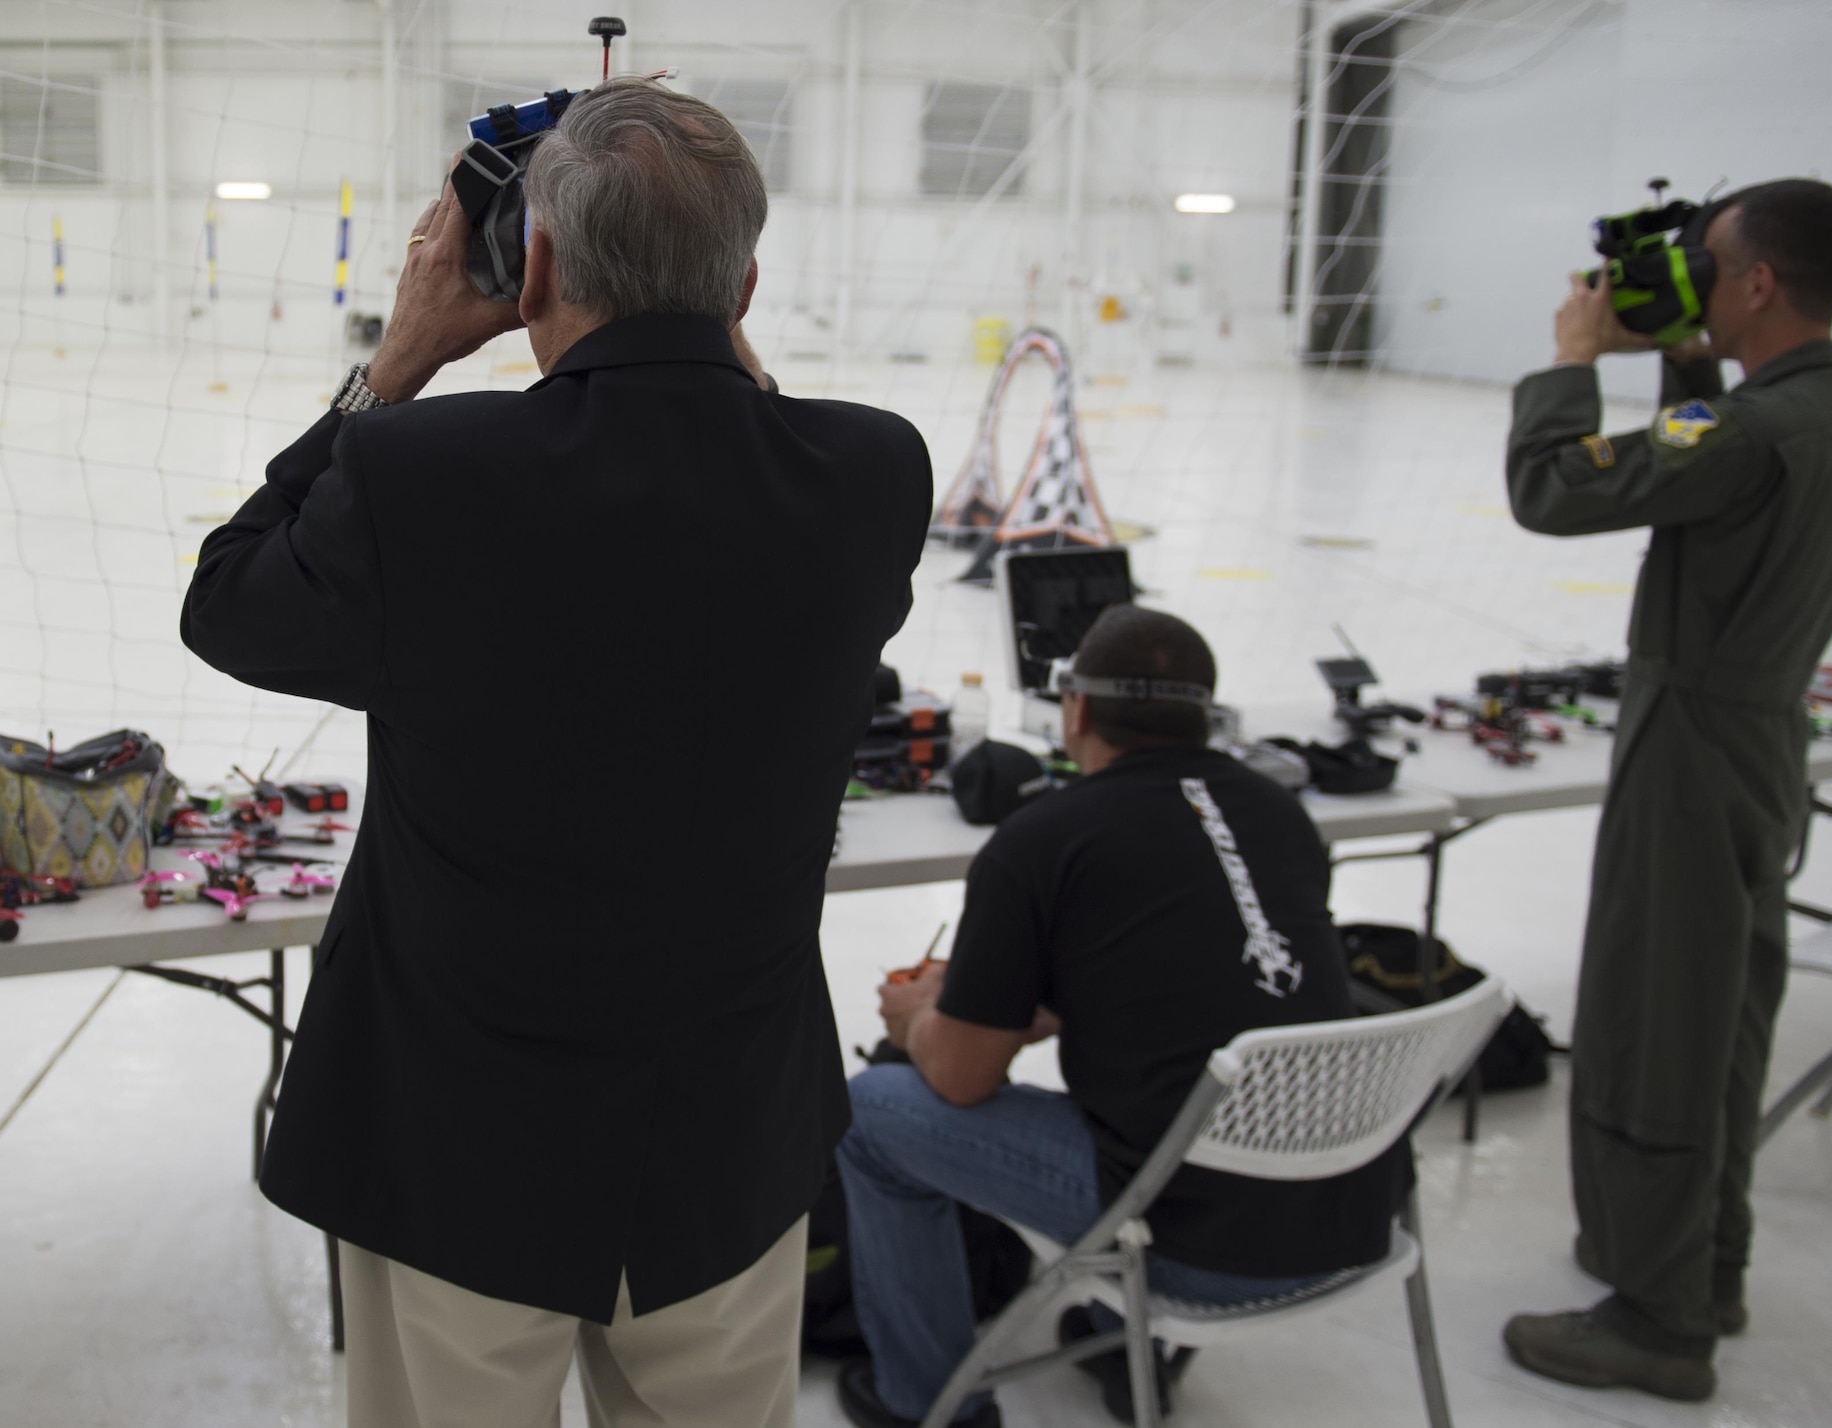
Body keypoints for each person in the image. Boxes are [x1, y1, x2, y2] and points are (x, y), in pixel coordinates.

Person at [181, 79, 931, 1428]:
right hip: (730, 1152)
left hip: (462, 1151)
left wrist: (393, 364)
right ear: (746, 288)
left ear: (531, 264)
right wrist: (681, 316)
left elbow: (227, 601)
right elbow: (730, 441)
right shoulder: (875, 478)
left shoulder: (425, 473)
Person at [834, 606, 1413, 1428]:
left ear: (1076, 711)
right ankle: (1118, 1340)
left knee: (872, 1115)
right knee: (1172, 1103)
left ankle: (925, 1404)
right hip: (1358, 1205)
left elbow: (961, 1078)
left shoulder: (1039, 841)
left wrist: (917, 1018)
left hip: (1205, 1248)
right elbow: (1211, 986)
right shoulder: (1281, 815)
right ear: (1203, 713)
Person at [1500, 180, 1832, 1401]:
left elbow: (1553, 488)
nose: (1695, 284)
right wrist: (1675, 355)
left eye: (1707, 268)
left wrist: (1570, 362)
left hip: (1689, 756)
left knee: (1651, 1023)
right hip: (1758, 743)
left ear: (1758, 283)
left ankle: (1656, 1323)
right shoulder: (1826, 414)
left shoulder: (1761, 429)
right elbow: (1697, 466)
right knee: (1720, 1022)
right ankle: (1700, 1263)